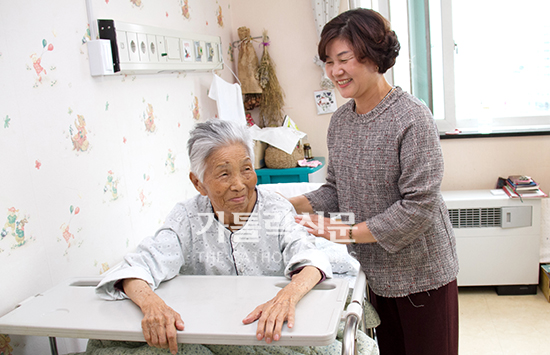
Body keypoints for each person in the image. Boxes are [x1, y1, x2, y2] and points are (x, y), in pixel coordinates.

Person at [90, 119, 377, 355]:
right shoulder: (187, 217)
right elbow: (140, 264)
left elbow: (310, 258)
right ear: (198, 182)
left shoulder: (276, 210)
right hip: (209, 325)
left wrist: (286, 297)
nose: (240, 185)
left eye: (246, 170)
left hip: (265, 327)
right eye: (224, 174)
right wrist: (153, 305)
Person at [289, 8, 459, 355]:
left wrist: (340, 232)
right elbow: (336, 189)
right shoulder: (340, 121)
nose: (334, 71)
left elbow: (419, 207)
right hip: (375, 274)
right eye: (327, 61)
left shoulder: (411, 116)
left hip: (422, 274)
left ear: (372, 56)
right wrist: (287, 205)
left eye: (344, 59)